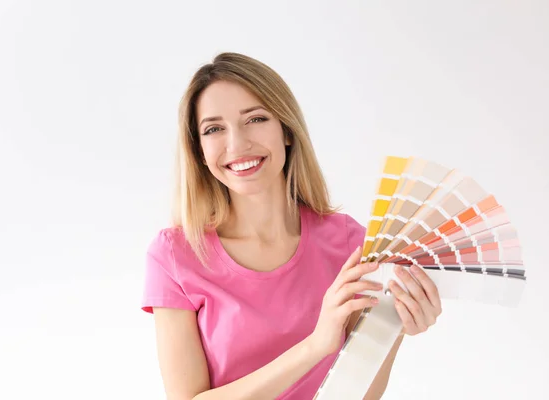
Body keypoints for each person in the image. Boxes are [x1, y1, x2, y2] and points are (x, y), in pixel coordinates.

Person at [140, 52, 442, 400]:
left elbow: (359, 395)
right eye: (214, 129)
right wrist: (315, 346)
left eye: (255, 119)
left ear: (286, 129)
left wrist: (395, 327)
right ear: (199, 150)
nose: (236, 144)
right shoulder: (175, 255)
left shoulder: (348, 244)